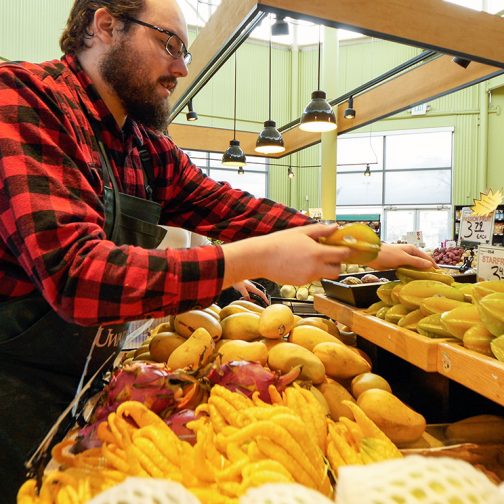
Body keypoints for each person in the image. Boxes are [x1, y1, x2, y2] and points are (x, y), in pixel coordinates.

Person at [0, 0, 435, 500]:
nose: (182, 68)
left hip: (80, 375)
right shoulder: (25, 99)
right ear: (106, 25)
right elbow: (76, 275)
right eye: (170, 44)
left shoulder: (142, 145)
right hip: (10, 379)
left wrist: (361, 248)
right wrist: (254, 259)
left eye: (184, 51)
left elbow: (230, 208)